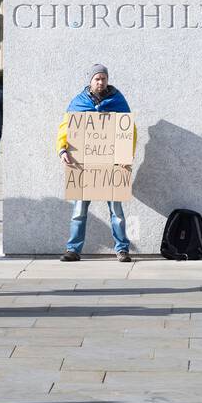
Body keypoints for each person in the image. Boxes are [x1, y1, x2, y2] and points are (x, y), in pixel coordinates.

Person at [57, 65, 135, 262]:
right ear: (90, 81)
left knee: (116, 211)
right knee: (79, 210)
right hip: (84, 165)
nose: (100, 82)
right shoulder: (79, 102)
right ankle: (73, 249)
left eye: (103, 78)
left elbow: (129, 131)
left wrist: (126, 157)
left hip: (112, 165)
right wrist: (62, 149)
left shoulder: (118, 101)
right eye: (97, 79)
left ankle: (122, 249)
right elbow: (65, 127)